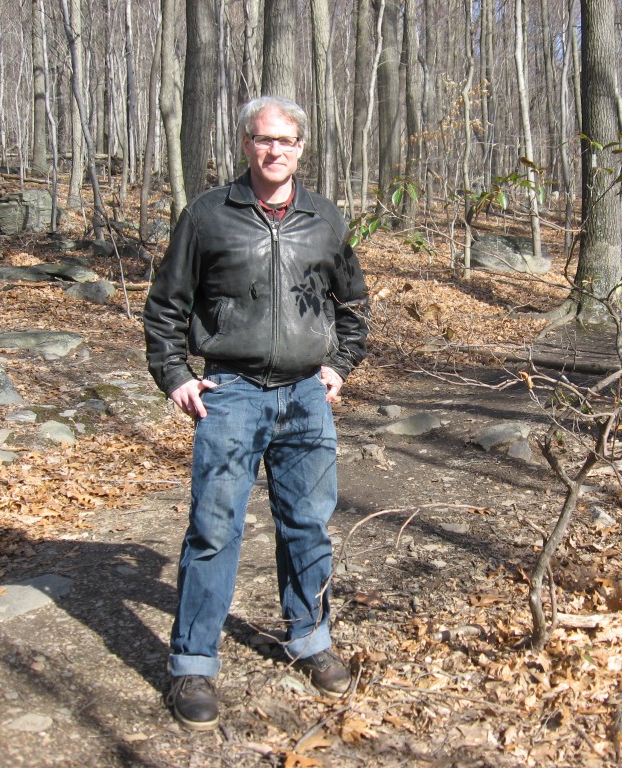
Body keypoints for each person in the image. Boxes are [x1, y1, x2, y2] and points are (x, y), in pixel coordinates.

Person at [143, 96, 369, 731]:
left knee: (308, 524)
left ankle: (310, 639)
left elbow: (352, 302)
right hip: (231, 394)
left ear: (302, 148)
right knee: (215, 529)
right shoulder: (209, 216)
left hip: (305, 397)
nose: (276, 151)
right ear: (245, 144)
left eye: (287, 141)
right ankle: (192, 663)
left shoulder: (325, 220)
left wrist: (339, 365)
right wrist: (175, 377)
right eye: (264, 139)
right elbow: (165, 306)